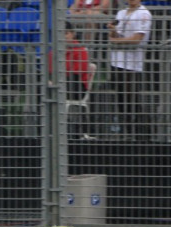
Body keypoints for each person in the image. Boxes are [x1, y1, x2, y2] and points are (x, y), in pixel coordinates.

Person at [107, 0, 151, 141]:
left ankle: (142, 136)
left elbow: (137, 38)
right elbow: (116, 36)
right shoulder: (121, 13)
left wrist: (116, 41)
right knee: (120, 101)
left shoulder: (144, 14)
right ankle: (126, 134)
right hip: (116, 61)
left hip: (132, 64)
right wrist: (113, 30)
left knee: (132, 100)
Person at [49, 21, 97, 140]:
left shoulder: (80, 50)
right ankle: (45, 130)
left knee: (70, 80)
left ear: (72, 34)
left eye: (66, 33)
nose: (64, 36)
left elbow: (77, 73)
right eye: (61, 33)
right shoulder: (53, 52)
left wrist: (57, 76)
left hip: (77, 87)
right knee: (41, 85)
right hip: (61, 83)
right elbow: (49, 70)